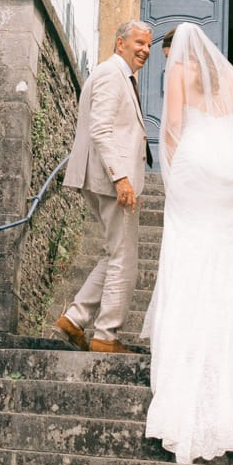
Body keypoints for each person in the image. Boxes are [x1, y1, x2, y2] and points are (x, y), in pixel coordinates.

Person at [138, 21, 233, 462]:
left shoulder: (179, 72)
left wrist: (172, 173)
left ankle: (181, 359)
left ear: (179, 49)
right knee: (221, 265)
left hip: (196, 170)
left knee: (186, 256)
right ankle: (227, 370)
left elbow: (174, 125)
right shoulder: (230, 74)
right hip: (228, 177)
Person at [54, 19, 151, 352]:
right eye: (139, 43)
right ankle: (106, 336)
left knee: (113, 253)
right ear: (119, 42)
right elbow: (101, 129)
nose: (145, 50)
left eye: (149, 45)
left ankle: (74, 318)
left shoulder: (120, 75)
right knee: (123, 258)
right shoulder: (112, 74)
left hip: (103, 178)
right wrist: (120, 176)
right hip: (111, 181)